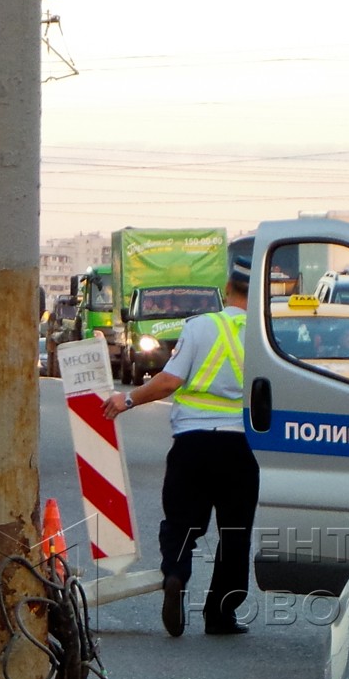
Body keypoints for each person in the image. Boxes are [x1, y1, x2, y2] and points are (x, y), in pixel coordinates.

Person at [104, 254, 257, 637]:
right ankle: (221, 615)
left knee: (181, 523)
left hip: (191, 445)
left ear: (226, 291)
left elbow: (169, 382)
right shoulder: (265, 335)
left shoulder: (200, 327)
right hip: (243, 448)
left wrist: (127, 400)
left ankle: (175, 574)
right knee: (235, 532)